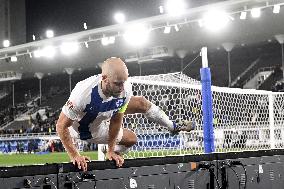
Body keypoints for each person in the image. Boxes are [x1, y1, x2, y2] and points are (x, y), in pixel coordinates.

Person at [56, 57, 195, 171]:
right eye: (117, 83)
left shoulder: (124, 89)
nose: (122, 87)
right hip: (86, 130)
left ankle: (172, 126)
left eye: (124, 82)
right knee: (131, 139)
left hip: (105, 114)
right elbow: (61, 125)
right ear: (104, 78)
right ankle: (109, 153)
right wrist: (74, 155)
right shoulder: (82, 94)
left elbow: (116, 120)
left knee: (141, 102)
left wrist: (111, 150)